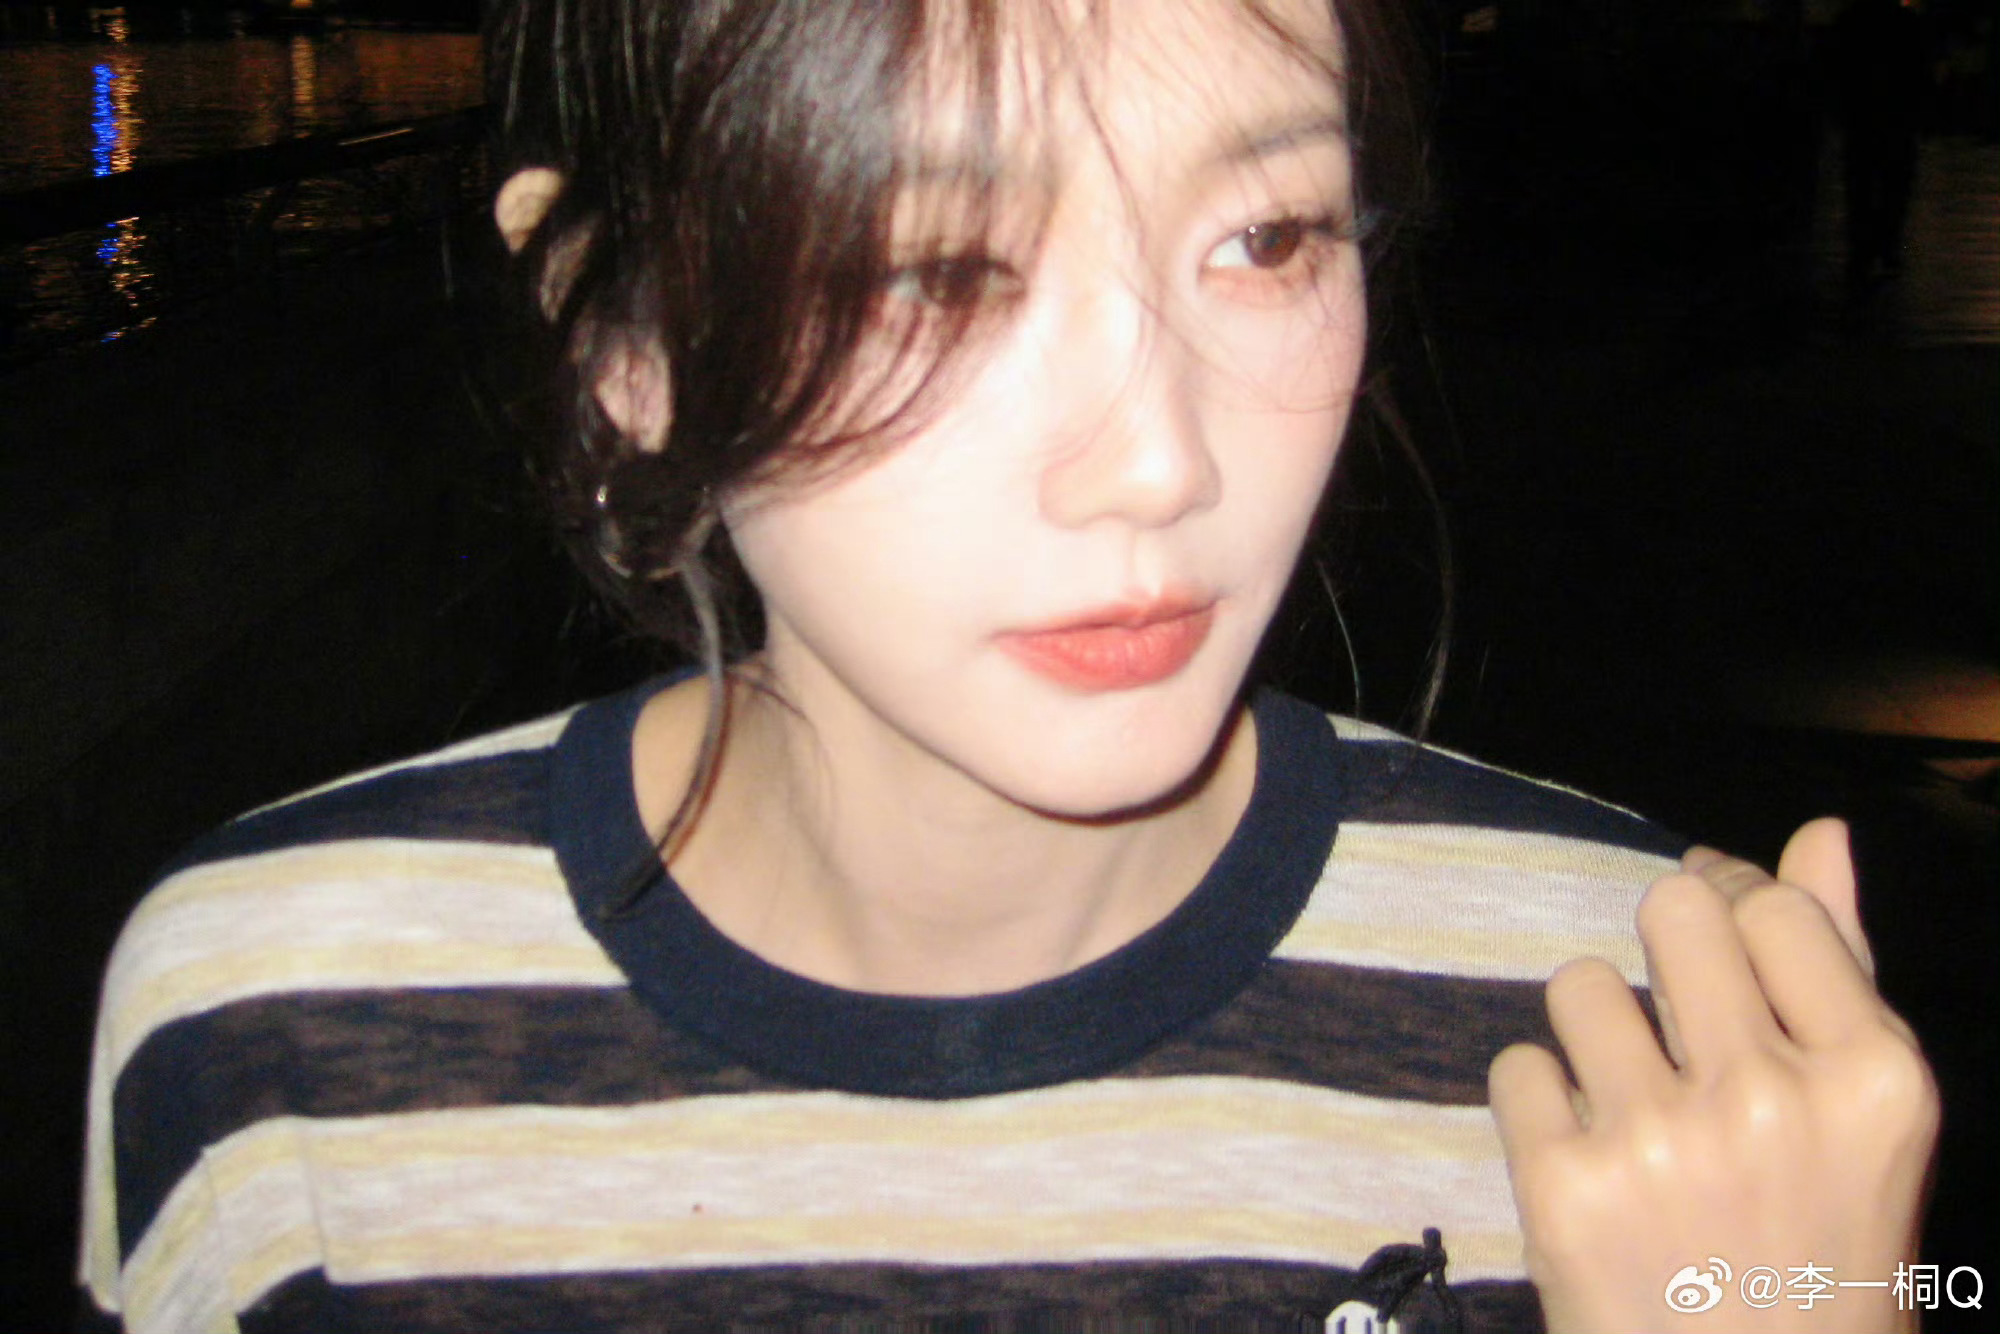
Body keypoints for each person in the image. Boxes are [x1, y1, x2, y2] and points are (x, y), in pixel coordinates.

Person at [77, 0, 1937, 1330]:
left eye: (1269, 236)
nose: (1161, 461)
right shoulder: (272, 1028)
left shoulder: (1652, 1049)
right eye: (931, 270)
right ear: (621, 340)